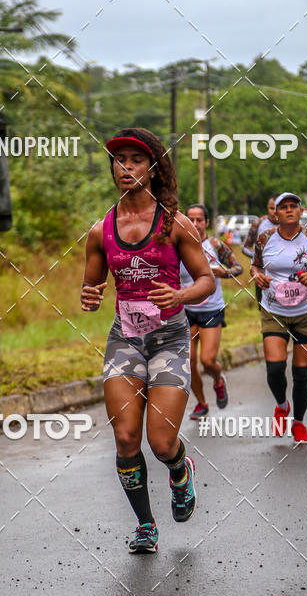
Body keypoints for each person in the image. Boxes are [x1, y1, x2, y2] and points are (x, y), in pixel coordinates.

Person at [81, 128, 215, 554]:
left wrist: (180, 295)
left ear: (153, 167)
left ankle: (180, 469)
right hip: (125, 339)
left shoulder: (174, 223)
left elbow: (207, 281)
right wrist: (90, 294)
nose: (125, 168)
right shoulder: (100, 230)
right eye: (118, 161)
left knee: (160, 441)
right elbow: (92, 286)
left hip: (170, 338)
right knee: (124, 438)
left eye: (134, 160)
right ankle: (145, 525)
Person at [251, 192, 307, 444]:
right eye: (282, 207)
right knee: (275, 367)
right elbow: (255, 265)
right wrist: (257, 275)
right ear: (275, 212)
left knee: (301, 372)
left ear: (300, 211)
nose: (288, 210)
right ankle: (281, 404)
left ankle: (298, 423)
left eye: (292, 206)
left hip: (306, 311)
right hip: (274, 310)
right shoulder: (265, 238)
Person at [180, 204, 243, 419]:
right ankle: (201, 403)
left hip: (210, 310)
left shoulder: (215, 244)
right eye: (191, 219)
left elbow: (238, 268)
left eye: (199, 220)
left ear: (207, 222)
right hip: (185, 310)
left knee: (207, 361)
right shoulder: (177, 245)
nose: (195, 224)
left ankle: (218, 380)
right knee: (188, 362)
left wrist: (220, 272)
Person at [242, 196, 278, 306]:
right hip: (262, 275)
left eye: (278, 208)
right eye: (272, 208)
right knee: (264, 307)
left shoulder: (289, 225)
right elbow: (245, 247)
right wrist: (258, 256)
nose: (275, 212)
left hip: (283, 275)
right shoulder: (259, 223)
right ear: (267, 208)